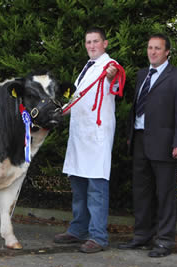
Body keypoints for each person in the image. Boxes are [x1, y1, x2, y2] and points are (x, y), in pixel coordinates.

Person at [118, 34, 177, 257]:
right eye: (150, 48)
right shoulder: (142, 74)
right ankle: (142, 236)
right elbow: (137, 108)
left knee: (165, 193)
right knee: (141, 192)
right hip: (140, 140)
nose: (152, 52)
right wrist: (131, 135)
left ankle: (165, 240)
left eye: (157, 48)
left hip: (165, 143)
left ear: (167, 51)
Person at [54, 27, 120, 253]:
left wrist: (112, 74)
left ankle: (99, 236)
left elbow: (116, 81)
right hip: (80, 135)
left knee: (96, 186)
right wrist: (58, 112)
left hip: (96, 135)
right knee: (79, 185)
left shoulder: (110, 66)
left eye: (95, 42)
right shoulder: (86, 68)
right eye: (88, 42)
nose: (91, 45)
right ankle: (78, 229)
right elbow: (78, 99)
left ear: (105, 44)